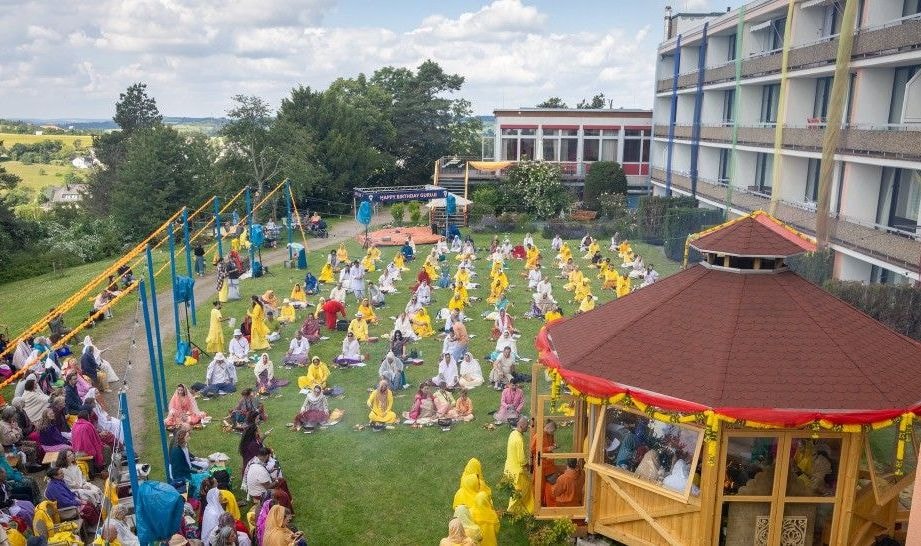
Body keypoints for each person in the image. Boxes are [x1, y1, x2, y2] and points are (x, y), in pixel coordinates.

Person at [504, 417, 534, 514]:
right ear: (521, 425)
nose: (528, 427)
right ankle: (513, 510)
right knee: (521, 490)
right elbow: (521, 460)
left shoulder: (513, 434)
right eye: (526, 426)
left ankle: (521, 508)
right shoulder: (519, 440)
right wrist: (528, 466)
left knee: (519, 490)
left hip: (509, 468)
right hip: (517, 472)